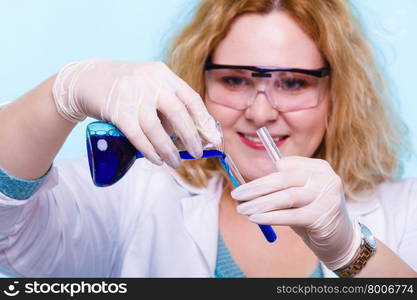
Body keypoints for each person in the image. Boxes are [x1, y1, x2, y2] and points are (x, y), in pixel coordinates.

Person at [0, 0, 416, 278]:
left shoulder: (406, 211)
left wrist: (350, 250)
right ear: (199, 83)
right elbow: (9, 230)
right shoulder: (133, 198)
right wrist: (63, 92)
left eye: (293, 83)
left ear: (334, 93)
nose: (259, 112)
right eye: (234, 80)